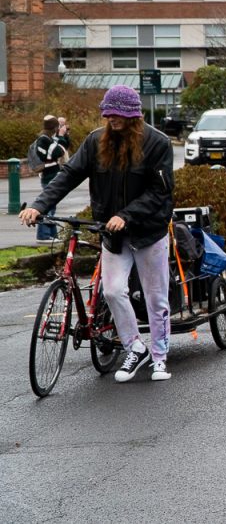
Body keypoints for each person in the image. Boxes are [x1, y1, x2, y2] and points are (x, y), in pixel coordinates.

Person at [20, 86, 175, 382]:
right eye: (107, 114)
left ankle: (159, 357)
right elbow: (68, 176)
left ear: (132, 116)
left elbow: (160, 193)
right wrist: (39, 206)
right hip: (112, 233)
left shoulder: (158, 143)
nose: (111, 119)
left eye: (117, 115)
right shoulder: (95, 142)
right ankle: (134, 347)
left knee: (156, 299)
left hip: (148, 232)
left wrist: (126, 215)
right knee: (114, 291)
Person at [28, 115, 69, 244]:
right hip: (49, 175)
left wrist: (63, 136)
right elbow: (58, 152)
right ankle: (43, 235)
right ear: (55, 127)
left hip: (52, 174)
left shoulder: (49, 139)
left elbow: (64, 146)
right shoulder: (44, 140)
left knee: (52, 205)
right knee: (48, 206)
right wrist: (61, 136)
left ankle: (52, 235)